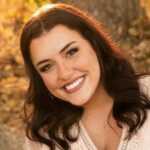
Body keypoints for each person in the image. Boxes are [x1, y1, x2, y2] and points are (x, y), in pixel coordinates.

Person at [20, 3, 150, 150]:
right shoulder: (43, 138)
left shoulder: (147, 93)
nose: (64, 73)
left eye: (71, 52)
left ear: (94, 43)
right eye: (47, 67)